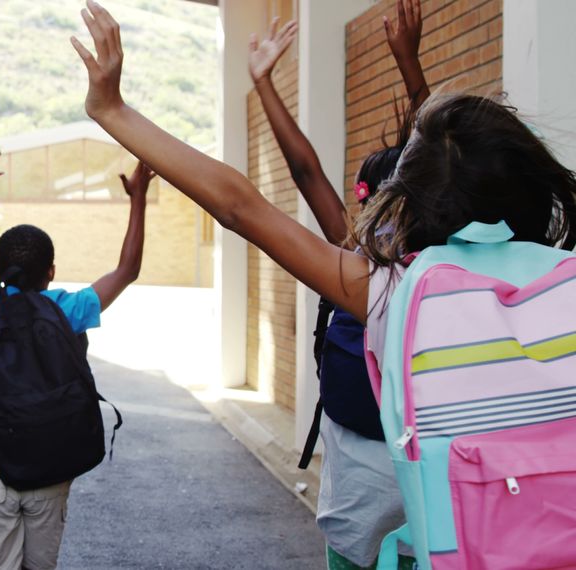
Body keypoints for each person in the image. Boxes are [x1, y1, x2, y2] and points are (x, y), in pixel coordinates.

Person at [71, 0, 576, 561]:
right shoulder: (565, 283)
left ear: (411, 206)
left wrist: (113, 110)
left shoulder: (396, 294)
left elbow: (241, 206)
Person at [246, 2, 426, 566]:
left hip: (393, 508)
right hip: (376, 507)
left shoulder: (399, 263)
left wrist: (411, 67)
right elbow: (306, 171)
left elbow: (307, 171)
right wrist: (263, 82)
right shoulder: (361, 257)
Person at [0, 145, 152, 570]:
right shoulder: (68, 309)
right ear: (51, 272)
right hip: (52, 467)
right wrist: (138, 198)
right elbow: (128, 270)